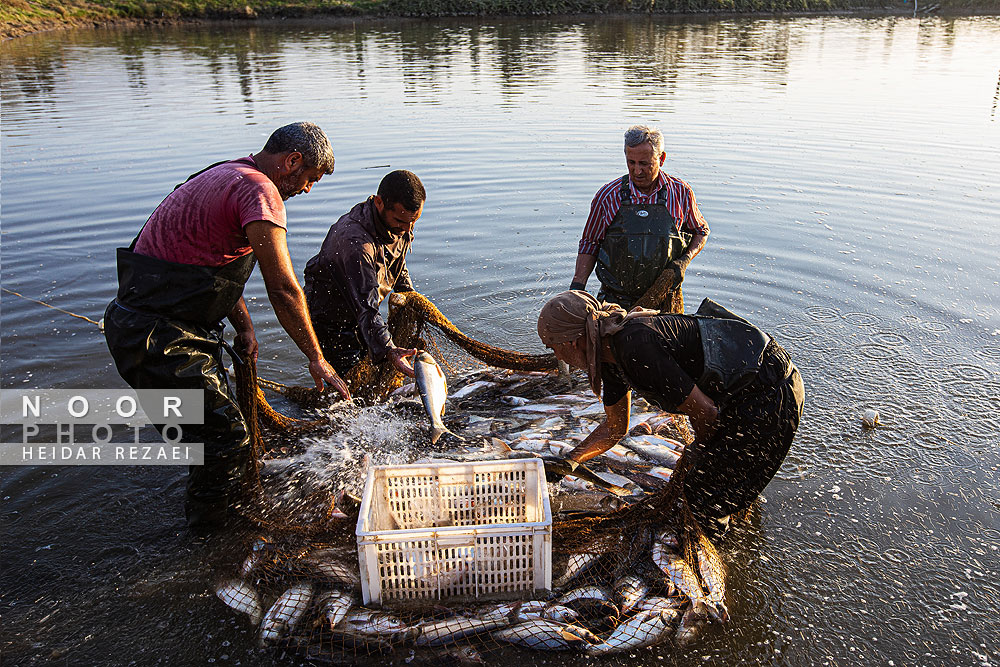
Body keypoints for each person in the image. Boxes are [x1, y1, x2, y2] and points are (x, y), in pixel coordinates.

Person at [104, 122, 351, 532]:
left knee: (211, 437)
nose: (306, 189)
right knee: (226, 439)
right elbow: (284, 289)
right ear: (292, 161)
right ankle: (210, 543)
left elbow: (209, 262)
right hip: (157, 337)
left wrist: (247, 329)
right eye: (309, 179)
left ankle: (220, 516)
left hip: (156, 327)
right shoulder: (260, 190)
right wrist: (316, 358)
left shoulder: (224, 174)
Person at [537, 290, 804, 526]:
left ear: (572, 342)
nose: (557, 357)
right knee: (711, 485)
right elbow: (615, 427)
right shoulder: (608, 355)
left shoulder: (634, 346)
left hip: (769, 391)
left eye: (553, 347)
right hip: (741, 388)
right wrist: (569, 462)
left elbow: (706, 412)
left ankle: (714, 550)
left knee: (704, 502)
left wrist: (697, 453)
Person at [303, 169, 427, 380]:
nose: (407, 229)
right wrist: (389, 349)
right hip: (332, 320)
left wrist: (408, 293)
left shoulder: (400, 225)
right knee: (346, 384)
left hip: (363, 313)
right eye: (400, 221)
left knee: (368, 372)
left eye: (413, 222)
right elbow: (366, 305)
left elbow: (396, 260)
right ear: (379, 203)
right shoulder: (356, 244)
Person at [571, 125, 710, 310]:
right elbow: (590, 243)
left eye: (644, 164)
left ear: (661, 159)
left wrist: (684, 261)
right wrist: (577, 288)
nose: (637, 171)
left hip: (665, 300)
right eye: (631, 162)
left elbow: (701, 231)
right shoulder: (607, 196)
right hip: (614, 301)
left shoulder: (681, 193)